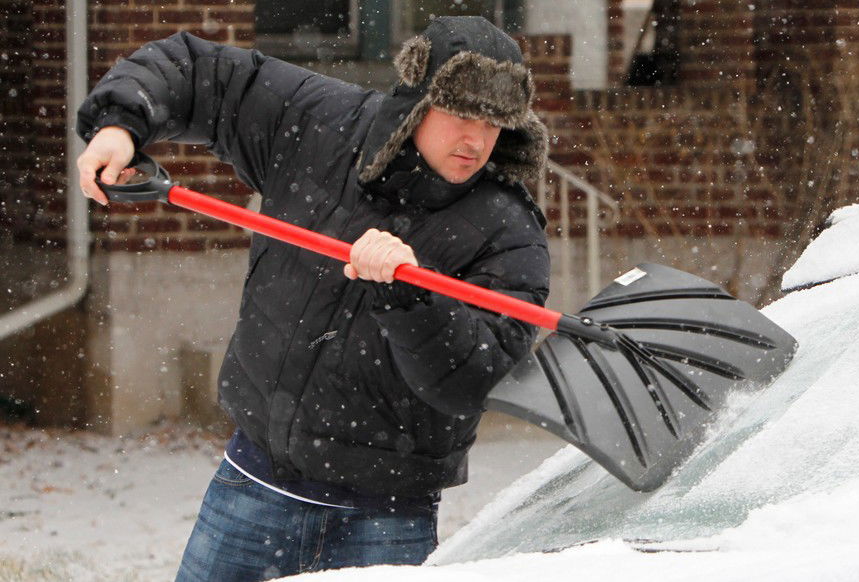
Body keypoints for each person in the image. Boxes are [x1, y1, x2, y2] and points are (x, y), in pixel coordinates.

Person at [74, 16, 551, 581]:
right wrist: (121, 125)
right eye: (462, 114)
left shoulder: (507, 230)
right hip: (252, 487)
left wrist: (410, 295)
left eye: (494, 122)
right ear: (418, 100)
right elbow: (200, 70)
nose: (476, 139)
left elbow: (471, 380)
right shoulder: (322, 124)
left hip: (386, 520)